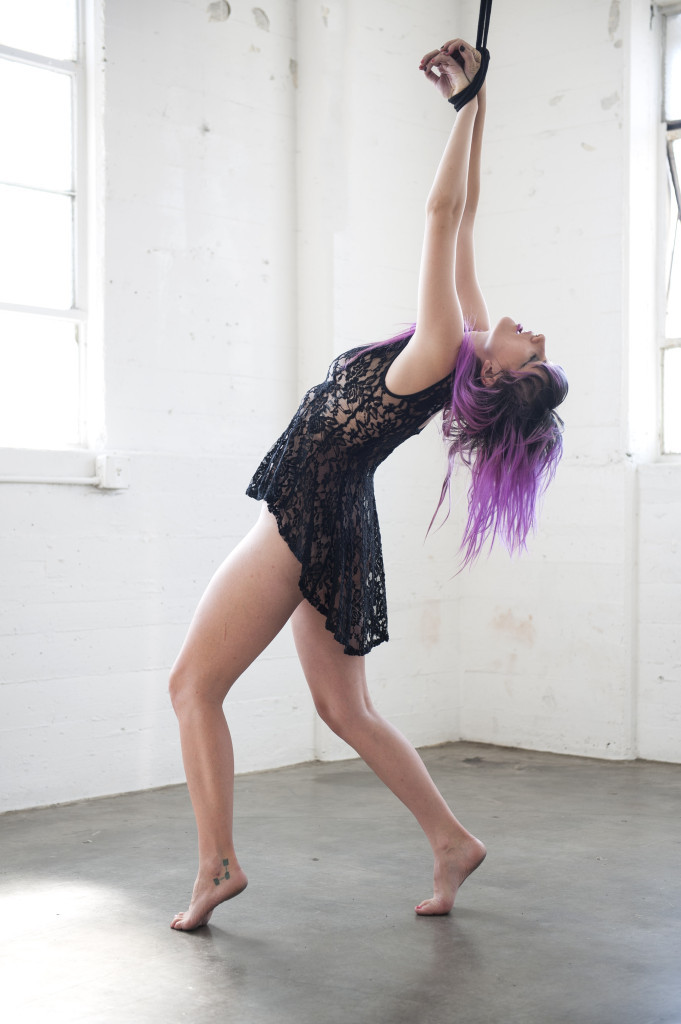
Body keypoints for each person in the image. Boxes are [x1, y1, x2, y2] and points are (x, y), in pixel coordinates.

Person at [169, 38, 567, 931]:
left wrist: (463, 109)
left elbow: (437, 214)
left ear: (498, 376)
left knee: (192, 686)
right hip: (339, 513)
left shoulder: (438, 348)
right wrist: (477, 100)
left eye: (533, 352)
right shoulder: (461, 345)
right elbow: (465, 215)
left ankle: (217, 864)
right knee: (344, 708)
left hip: (306, 517)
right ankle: (451, 841)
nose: (532, 332)